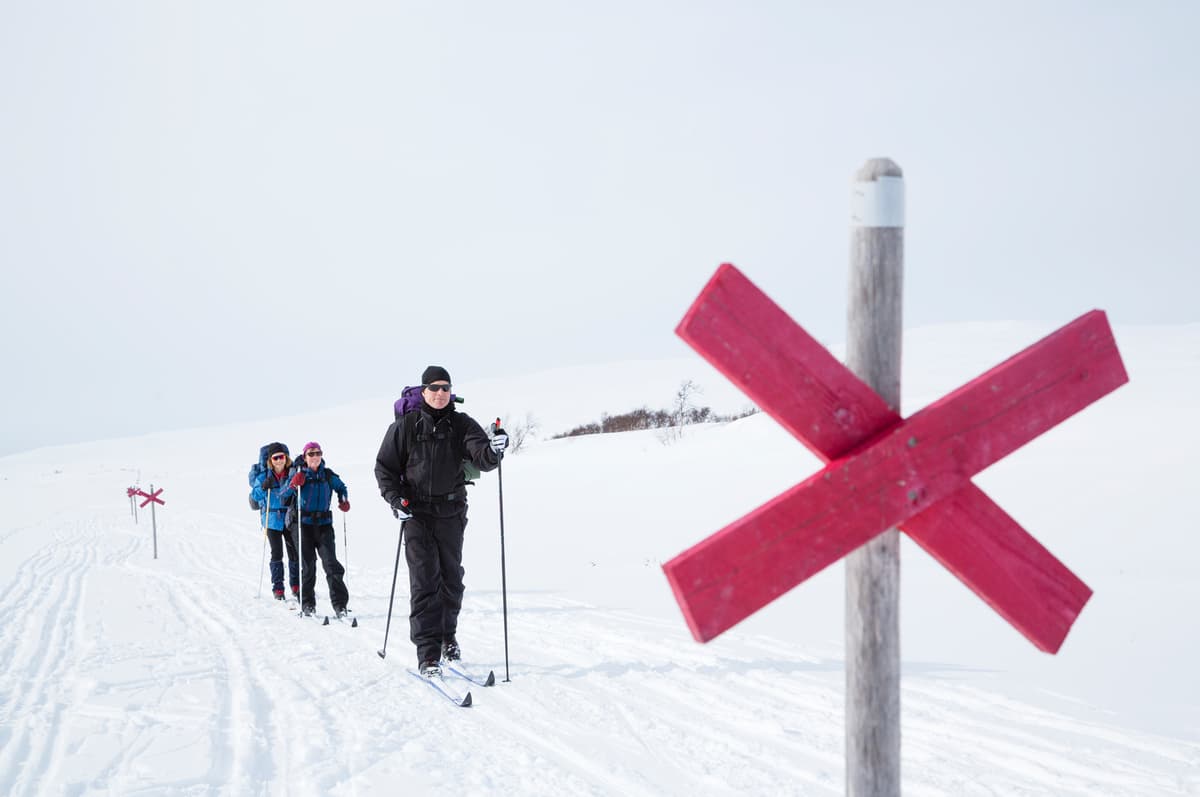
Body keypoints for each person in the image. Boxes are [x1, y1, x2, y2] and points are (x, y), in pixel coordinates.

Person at [374, 365, 507, 676]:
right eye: (434, 388)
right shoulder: (405, 426)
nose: (440, 393)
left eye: (445, 388)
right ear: (423, 391)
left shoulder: (461, 424)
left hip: (451, 511)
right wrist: (396, 500)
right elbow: (384, 469)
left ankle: (449, 638)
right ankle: (428, 653)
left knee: (451, 580)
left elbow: (482, 458)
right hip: (416, 514)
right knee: (424, 581)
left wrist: (496, 449)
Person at [279, 441, 351, 617]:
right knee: (308, 566)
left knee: (331, 564)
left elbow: (341, 487)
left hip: (324, 525)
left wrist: (343, 499)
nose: (315, 456)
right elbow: (283, 496)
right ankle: (308, 604)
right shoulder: (297, 475)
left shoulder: (327, 475)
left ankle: (340, 605)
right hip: (302, 526)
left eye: (318, 453)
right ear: (305, 457)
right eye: (311, 454)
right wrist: (293, 485)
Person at [251, 442, 300, 600]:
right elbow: (255, 497)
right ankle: (278, 588)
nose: (279, 460)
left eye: (281, 457)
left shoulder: (292, 473)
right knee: (277, 553)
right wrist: (264, 487)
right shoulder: (263, 477)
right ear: (270, 460)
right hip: (271, 520)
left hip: (289, 517)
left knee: (293, 552)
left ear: (286, 458)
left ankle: (296, 585)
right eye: (275, 457)